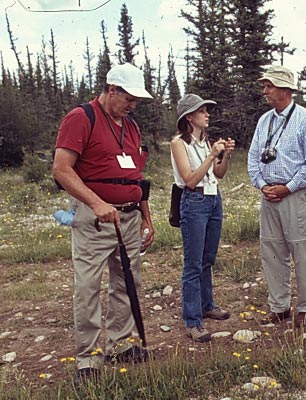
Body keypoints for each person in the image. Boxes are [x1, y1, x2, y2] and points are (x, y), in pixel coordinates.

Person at [52, 63, 154, 383]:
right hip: (94, 219)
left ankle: (121, 344)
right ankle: (88, 359)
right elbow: (62, 169)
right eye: (129, 98)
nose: (133, 105)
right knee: (88, 287)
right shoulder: (81, 118)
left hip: (128, 215)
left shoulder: (131, 125)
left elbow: (135, 177)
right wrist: (96, 203)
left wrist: (146, 216)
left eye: (137, 100)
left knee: (127, 282)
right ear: (112, 90)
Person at [248, 65, 306, 328]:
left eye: (269, 86)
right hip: (269, 195)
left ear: (285, 89)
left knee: (301, 249)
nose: (265, 91)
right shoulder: (264, 120)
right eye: (265, 85)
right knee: (271, 250)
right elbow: (253, 157)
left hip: (296, 195)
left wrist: (288, 187)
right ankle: (279, 306)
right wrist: (261, 185)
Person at [171, 94, 235, 342]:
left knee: (208, 257)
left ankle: (207, 305)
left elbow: (218, 174)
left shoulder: (205, 141)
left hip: (212, 199)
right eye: (202, 111)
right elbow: (189, 179)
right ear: (189, 117)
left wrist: (225, 155)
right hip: (194, 201)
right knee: (193, 262)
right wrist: (211, 156)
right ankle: (192, 319)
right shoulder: (179, 143)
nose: (207, 114)